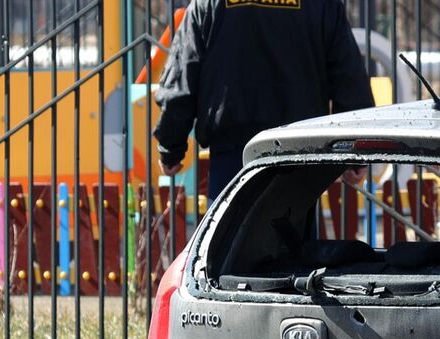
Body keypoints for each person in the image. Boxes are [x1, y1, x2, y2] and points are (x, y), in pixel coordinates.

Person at [153, 0, 376, 198]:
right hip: (300, 149)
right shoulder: (322, 4)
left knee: (230, 228)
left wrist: (170, 146)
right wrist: (353, 154)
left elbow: (184, 73)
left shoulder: (209, 3)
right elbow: (348, 77)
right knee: (295, 228)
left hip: (233, 151)